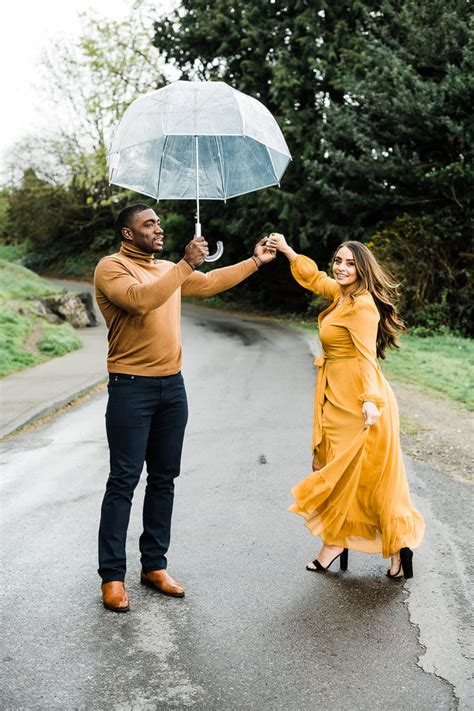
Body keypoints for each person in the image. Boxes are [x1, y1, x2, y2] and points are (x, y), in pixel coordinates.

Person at [94, 203, 276, 612]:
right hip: (131, 387)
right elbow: (140, 302)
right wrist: (183, 263)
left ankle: (154, 565)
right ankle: (112, 577)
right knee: (123, 480)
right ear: (128, 233)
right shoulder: (112, 268)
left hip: (172, 388)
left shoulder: (166, 270)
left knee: (164, 478)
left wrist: (254, 262)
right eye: (149, 224)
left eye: (158, 222)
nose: (158, 229)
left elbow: (209, 282)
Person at [265, 233, 424, 579]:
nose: (341, 267)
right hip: (336, 397)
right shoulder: (342, 295)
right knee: (342, 472)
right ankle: (383, 549)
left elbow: (368, 358)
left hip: (359, 402)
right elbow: (315, 279)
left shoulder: (363, 306)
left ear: (362, 268)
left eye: (350, 263)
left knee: (357, 477)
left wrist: (370, 402)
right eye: (338, 260)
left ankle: (346, 544)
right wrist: (289, 252)